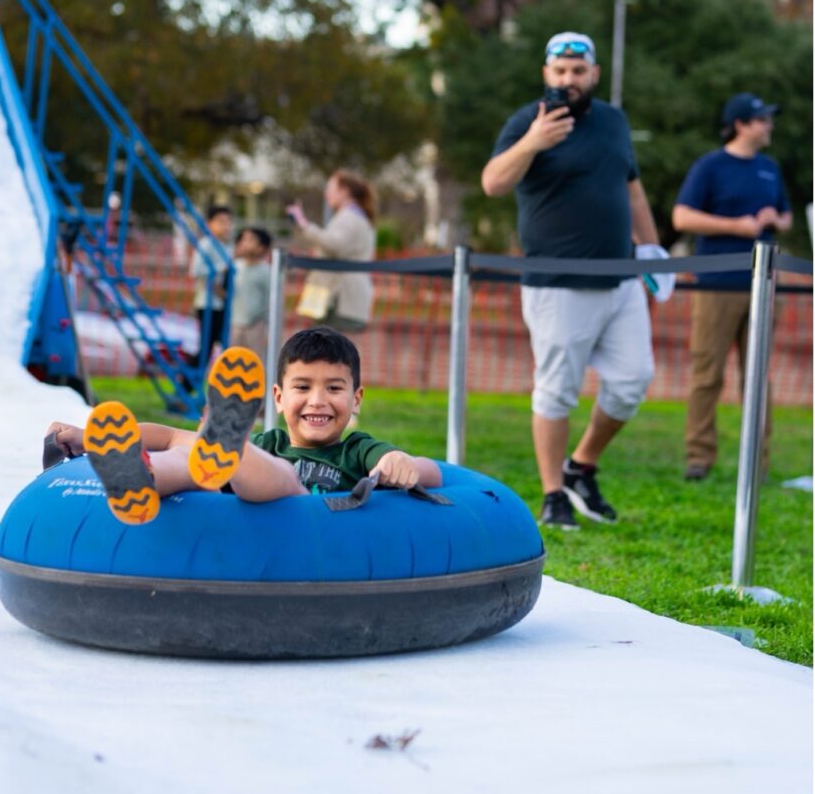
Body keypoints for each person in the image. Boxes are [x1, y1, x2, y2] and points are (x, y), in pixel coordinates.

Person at [480, 31, 662, 530]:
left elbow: (634, 189)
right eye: (559, 71)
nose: (569, 80)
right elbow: (493, 182)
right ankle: (553, 493)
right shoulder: (527, 120)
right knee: (557, 392)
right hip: (557, 283)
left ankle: (581, 467)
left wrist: (652, 251)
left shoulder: (614, 121)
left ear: (594, 74)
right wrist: (534, 142)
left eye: (578, 72)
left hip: (621, 279)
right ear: (546, 74)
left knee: (631, 383)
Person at [45, 327, 442, 525]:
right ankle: (141, 477)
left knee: (282, 475)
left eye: (334, 388)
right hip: (242, 476)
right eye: (302, 387)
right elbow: (168, 435)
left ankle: (227, 449)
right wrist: (87, 440)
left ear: (356, 399)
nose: (318, 400)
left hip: (304, 520)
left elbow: (431, 470)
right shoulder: (269, 440)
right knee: (192, 457)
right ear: (279, 396)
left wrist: (401, 461)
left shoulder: (357, 449)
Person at [672, 92, 792, 482]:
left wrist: (777, 218)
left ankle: (758, 462)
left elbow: (787, 217)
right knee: (708, 373)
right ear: (740, 124)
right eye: (762, 120)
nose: (769, 126)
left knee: (757, 375)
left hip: (763, 286)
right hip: (716, 285)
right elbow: (682, 217)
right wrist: (734, 227)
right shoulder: (710, 166)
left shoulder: (770, 168)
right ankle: (698, 457)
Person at [286, 170, 376, 332]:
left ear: (345, 191)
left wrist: (303, 223)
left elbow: (334, 245)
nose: (327, 194)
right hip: (338, 297)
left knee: (330, 351)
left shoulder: (349, 217)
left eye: (331, 189)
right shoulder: (353, 216)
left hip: (340, 299)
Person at [190, 204, 234, 355]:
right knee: (206, 347)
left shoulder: (228, 246)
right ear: (209, 224)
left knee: (225, 344)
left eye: (228, 222)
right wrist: (221, 267)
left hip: (223, 304)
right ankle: (189, 378)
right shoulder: (206, 244)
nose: (226, 226)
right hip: (208, 303)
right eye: (221, 222)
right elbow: (196, 271)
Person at [229, 226, 272, 360]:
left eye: (250, 240)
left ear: (262, 247)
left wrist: (268, 330)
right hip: (235, 325)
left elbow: (270, 301)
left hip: (256, 326)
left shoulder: (266, 271)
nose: (244, 243)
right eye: (243, 239)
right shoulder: (235, 267)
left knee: (255, 362)